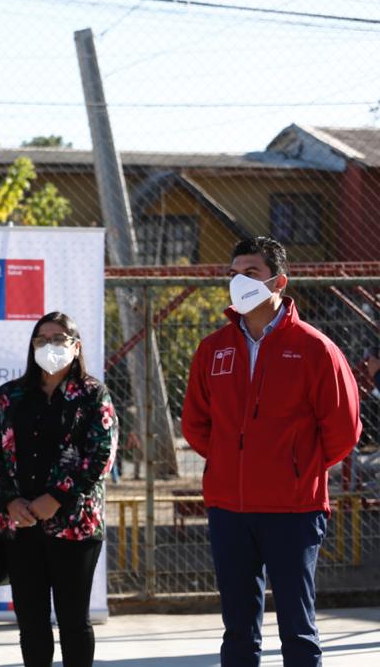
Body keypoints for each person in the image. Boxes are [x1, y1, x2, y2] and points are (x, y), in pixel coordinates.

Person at [182, 236, 361, 667]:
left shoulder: (315, 349)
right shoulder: (213, 349)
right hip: (230, 508)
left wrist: (296, 468)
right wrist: (232, 460)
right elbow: (195, 423)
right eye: (233, 273)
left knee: (297, 630)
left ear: (279, 281)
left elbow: (343, 429)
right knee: (238, 631)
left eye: (251, 273)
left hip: (293, 508)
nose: (239, 281)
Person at [0, 311, 118, 667]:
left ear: (76, 346)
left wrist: (56, 498)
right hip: (20, 525)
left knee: (74, 622)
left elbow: (102, 454)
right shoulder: (11, 395)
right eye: (42, 339)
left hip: (75, 527)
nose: (49, 346)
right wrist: (9, 501)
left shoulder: (92, 394)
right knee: (31, 624)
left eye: (58, 339)